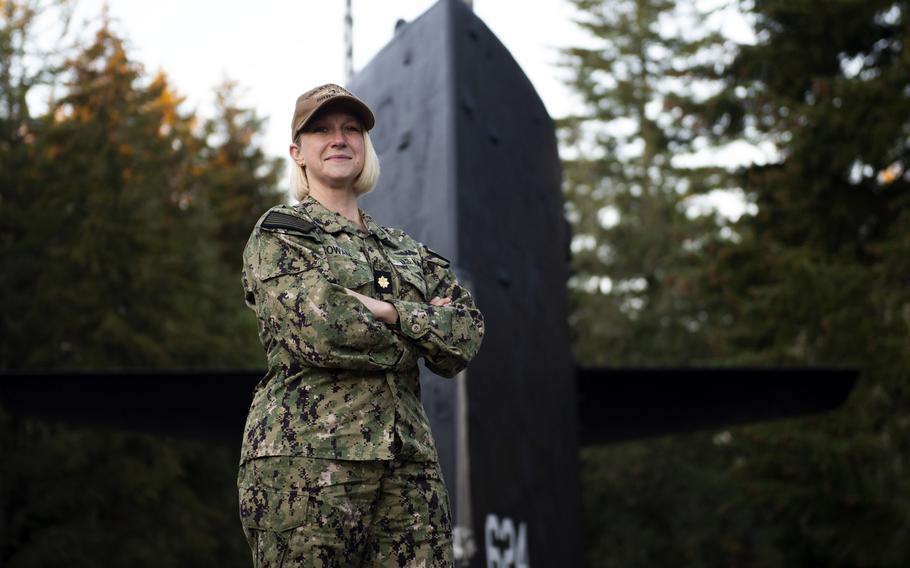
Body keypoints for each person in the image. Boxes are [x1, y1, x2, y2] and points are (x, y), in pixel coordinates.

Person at [237, 83, 485, 568]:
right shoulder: (281, 233)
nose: (339, 139)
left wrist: (390, 313)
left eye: (351, 129)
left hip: (409, 468)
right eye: (322, 130)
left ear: (365, 147)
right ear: (298, 152)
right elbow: (322, 330)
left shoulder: (406, 251)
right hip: (307, 464)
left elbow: (466, 334)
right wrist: (422, 328)